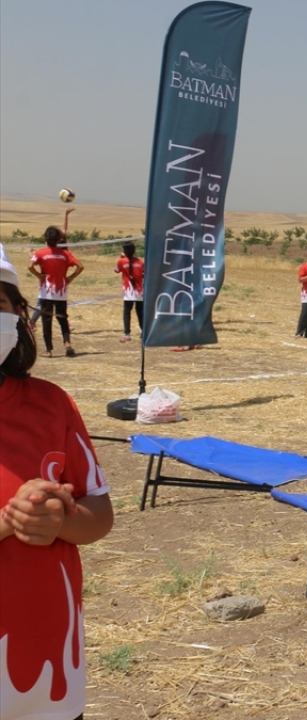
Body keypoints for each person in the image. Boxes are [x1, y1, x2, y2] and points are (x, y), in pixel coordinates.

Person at [0, 242, 114, 720]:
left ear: (17, 315)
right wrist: (11, 521)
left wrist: (60, 520)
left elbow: (99, 514)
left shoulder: (51, 404)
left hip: (47, 667)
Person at [27, 226, 83, 357]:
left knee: (46, 320)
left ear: (45, 238)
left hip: (46, 292)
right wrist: (70, 277)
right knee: (62, 318)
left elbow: (30, 266)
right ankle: (67, 344)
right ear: (59, 239)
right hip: (61, 292)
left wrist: (38, 275)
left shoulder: (40, 253)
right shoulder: (65, 254)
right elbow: (80, 266)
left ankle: (49, 350)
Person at [114, 241, 145, 342]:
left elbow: (116, 270)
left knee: (127, 313)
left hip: (128, 291)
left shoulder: (122, 261)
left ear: (125, 251)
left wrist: (121, 257)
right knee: (140, 312)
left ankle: (127, 334)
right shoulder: (140, 262)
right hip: (140, 291)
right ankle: (144, 332)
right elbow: (144, 274)